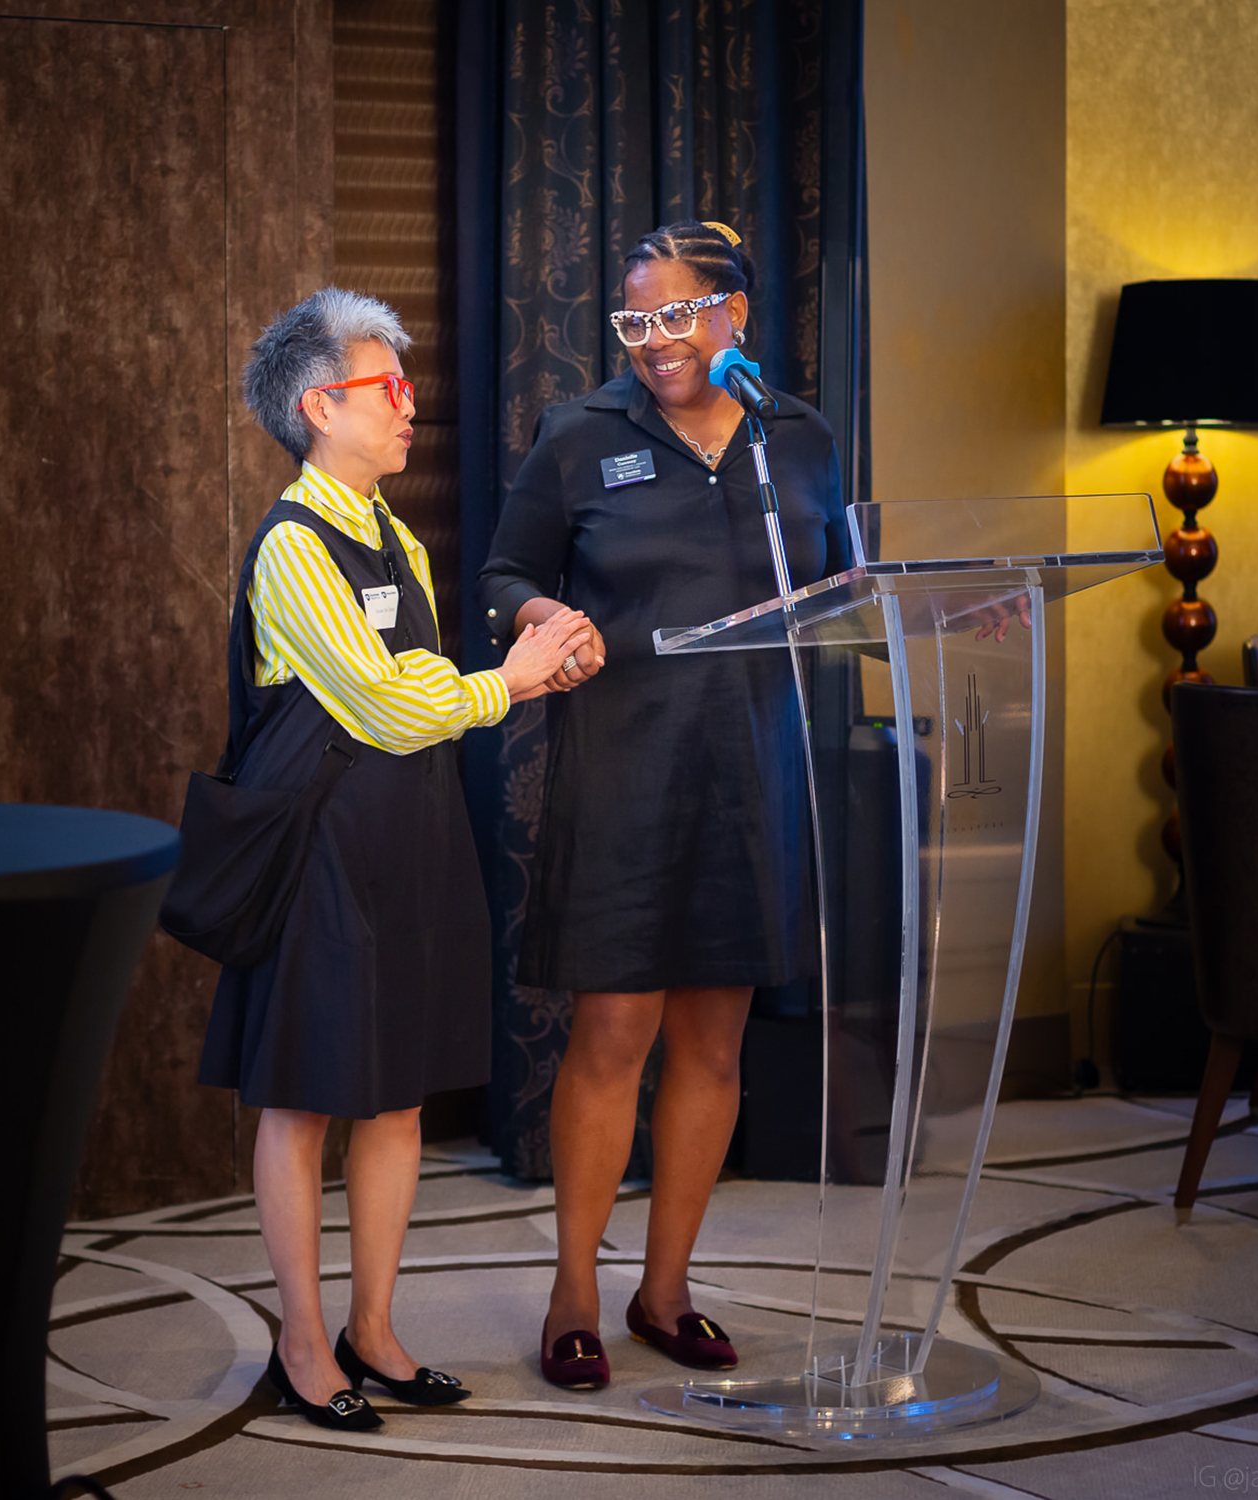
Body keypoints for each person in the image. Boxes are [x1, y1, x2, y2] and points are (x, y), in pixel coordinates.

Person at [199, 287, 593, 1430]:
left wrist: (526, 658)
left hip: (410, 836)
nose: (410, 403)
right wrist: (502, 685)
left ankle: (373, 1327)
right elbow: (375, 700)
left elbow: (419, 689)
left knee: (397, 1097)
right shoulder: (289, 545)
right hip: (317, 849)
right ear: (322, 404)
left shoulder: (397, 538)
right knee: (305, 1099)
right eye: (389, 386)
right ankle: (304, 1341)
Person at [478, 221, 850, 1389]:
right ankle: (574, 1294)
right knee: (614, 1033)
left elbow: (842, 582)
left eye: (676, 316)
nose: (653, 344)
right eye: (632, 322)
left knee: (713, 1038)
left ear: (733, 313)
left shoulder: (797, 438)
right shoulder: (582, 437)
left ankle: (667, 1290)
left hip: (754, 772)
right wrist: (542, 621)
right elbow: (500, 577)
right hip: (624, 765)